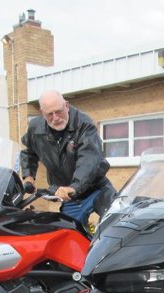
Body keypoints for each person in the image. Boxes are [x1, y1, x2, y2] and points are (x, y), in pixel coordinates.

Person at [20, 90, 115, 226]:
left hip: (95, 188)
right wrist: (28, 176)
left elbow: (88, 160)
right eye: (49, 114)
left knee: (117, 225)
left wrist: (74, 187)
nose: (55, 118)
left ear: (67, 105)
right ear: (42, 113)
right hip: (69, 196)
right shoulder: (36, 128)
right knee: (68, 233)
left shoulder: (84, 124)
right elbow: (29, 152)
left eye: (58, 111)